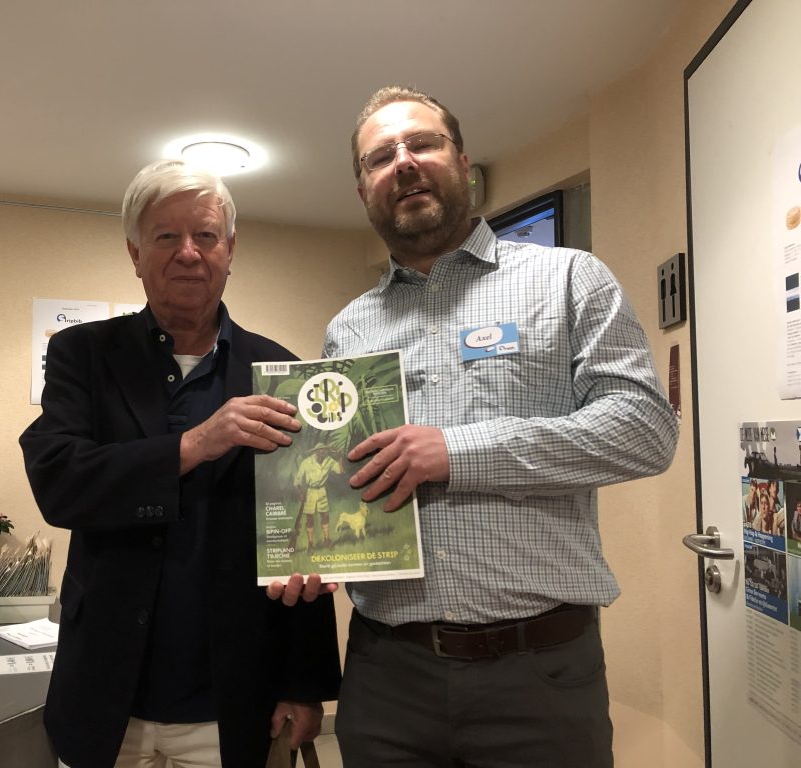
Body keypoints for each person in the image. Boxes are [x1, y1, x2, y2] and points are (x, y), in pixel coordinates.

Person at [277, 85, 679, 767]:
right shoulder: (349, 329)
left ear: (463, 163)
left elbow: (644, 428)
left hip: (538, 675)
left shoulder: (569, 279)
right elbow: (350, 476)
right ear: (364, 190)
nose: (403, 163)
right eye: (380, 157)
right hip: (386, 675)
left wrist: (457, 452)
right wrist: (317, 552)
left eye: (422, 144)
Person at [20, 159, 340, 768]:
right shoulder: (82, 354)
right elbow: (60, 481)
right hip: (105, 697)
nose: (188, 252)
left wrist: (304, 682)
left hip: (234, 699)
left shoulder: (279, 370)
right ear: (135, 253)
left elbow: (305, 536)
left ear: (230, 250)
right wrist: (194, 444)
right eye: (166, 235)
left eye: (206, 235)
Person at [292, 443, 345, 550]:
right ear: (315, 451)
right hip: (310, 492)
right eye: (319, 450)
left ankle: (327, 540)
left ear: (326, 451)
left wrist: (340, 457)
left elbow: (341, 471)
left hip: (322, 491)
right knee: (310, 518)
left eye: (324, 450)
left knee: (325, 516)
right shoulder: (307, 462)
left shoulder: (329, 461)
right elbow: (297, 480)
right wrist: (301, 493)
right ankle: (310, 544)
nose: (322, 452)